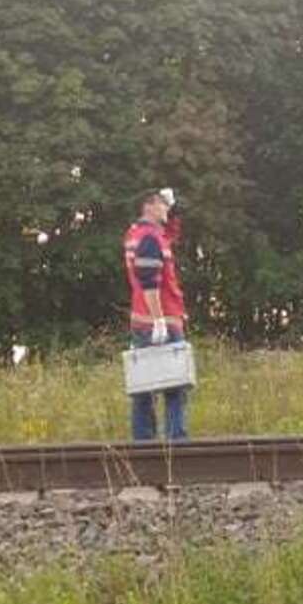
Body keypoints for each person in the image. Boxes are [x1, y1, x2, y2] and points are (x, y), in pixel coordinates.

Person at [123, 188, 190, 441]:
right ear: (149, 206)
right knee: (175, 386)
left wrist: (175, 210)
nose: (167, 209)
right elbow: (149, 280)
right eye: (163, 204)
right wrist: (159, 319)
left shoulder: (136, 234)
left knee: (143, 388)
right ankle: (177, 443)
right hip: (162, 320)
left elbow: (171, 232)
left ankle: (143, 445)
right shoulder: (151, 238)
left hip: (141, 320)